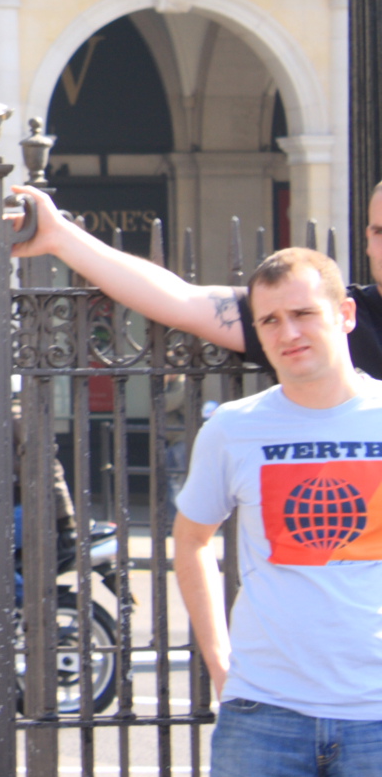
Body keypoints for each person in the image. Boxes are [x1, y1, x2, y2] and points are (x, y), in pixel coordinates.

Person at [172, 248, 382, 773]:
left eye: (304, 313)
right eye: (271, 320)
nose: (288, 333)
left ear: (346, 316)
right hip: (264, 716)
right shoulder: (232, 429)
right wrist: (221, 667)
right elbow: (192, 541)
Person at [10, 180, 382, 376]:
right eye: (381, 232)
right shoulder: (327, 319)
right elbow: (181, 301)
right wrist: (61, 236)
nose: (289, 328)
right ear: (367, 239)